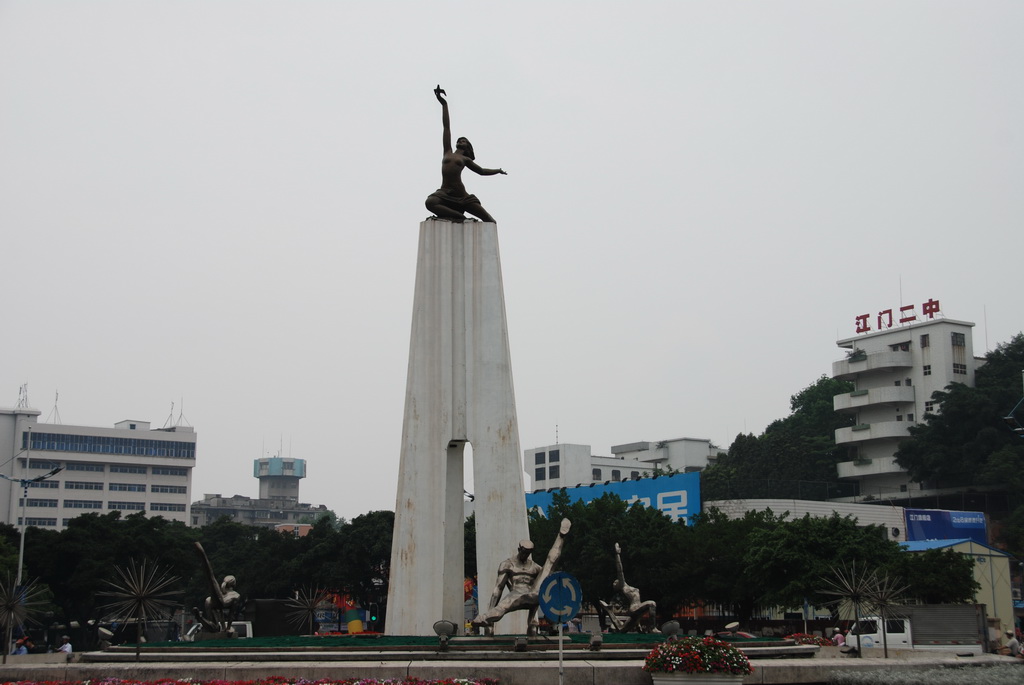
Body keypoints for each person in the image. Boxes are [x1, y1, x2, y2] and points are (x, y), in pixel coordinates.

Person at [471, 518, 571, 635]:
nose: (526, 555)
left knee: (549, 565)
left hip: (533, 593)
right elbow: (497, 589)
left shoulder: (534, 567)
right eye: (524, 552)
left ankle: (561, 537)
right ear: (519, 549)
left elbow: (546, 580)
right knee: (499, 611)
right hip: (516, 595)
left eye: (528, 553)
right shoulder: (508, 564)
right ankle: (485, 618)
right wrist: (491, 613)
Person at [425, 85, 507, 223]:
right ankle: (460, 217)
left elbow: (481, 171)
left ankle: (460, 214)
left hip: (461, 195)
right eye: (459, 140)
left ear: (468, 147)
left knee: (489, 220)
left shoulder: (464, 159)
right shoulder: (447, 151)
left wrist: (497, 170)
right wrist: (444, 104)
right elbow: (446, 127)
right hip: (444, 192)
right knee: (430, 202)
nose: (460, 141)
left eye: (463, 141)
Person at [193, 542, 241, 634]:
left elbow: (221, 613)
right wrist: (227, 628)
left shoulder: (226, 593)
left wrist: (224, 627)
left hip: (211, 601)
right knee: (211, 577)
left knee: (211, 578)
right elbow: (231, 614)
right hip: (221, 602)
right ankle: (203, 555)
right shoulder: (236, 595)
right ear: (233, 584)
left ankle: (200, 618)